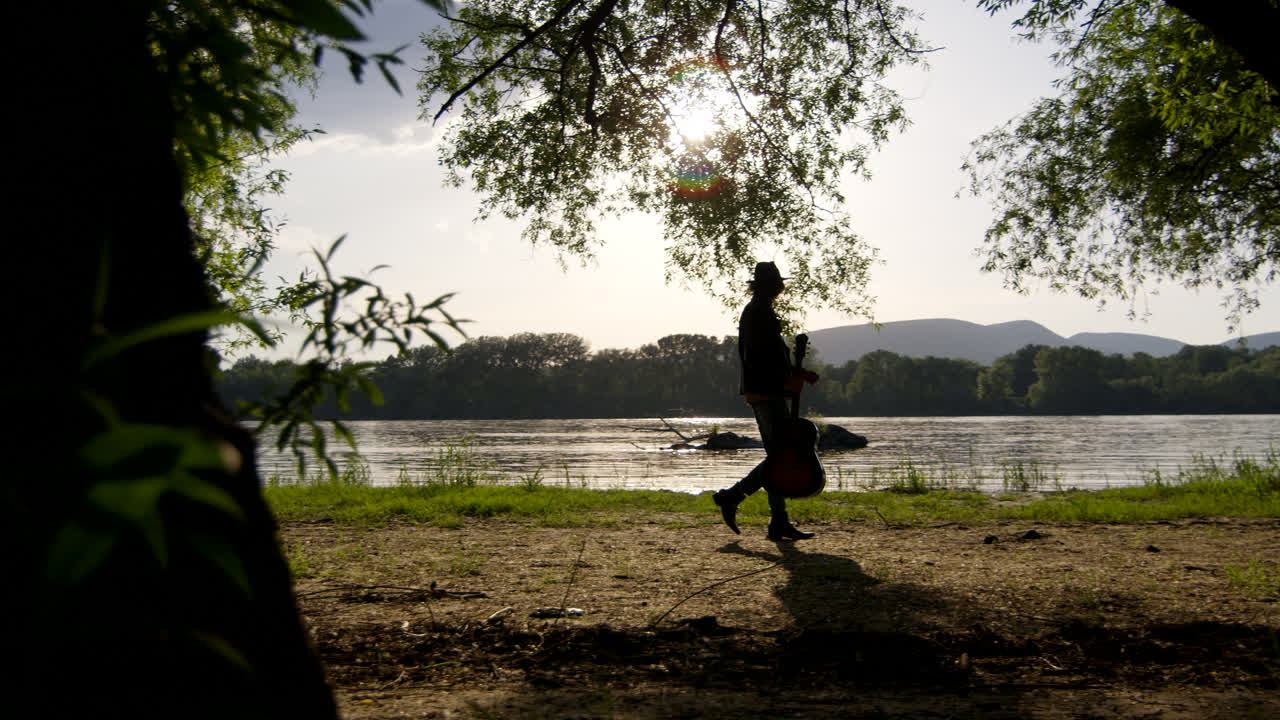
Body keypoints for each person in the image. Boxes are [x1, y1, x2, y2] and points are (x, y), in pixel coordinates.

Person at [713, 261, 820, 541]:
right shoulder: (758, 312)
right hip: (766, 392)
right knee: (780, 457)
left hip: (769, 390)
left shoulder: (760, 311)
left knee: (780, 455)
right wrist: (786, 382)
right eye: (778, 283)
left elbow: (773, 356)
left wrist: (798, 373)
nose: (781, 287)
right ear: (775, 286)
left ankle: (778, 522)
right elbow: (757, 358)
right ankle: (732, 497)